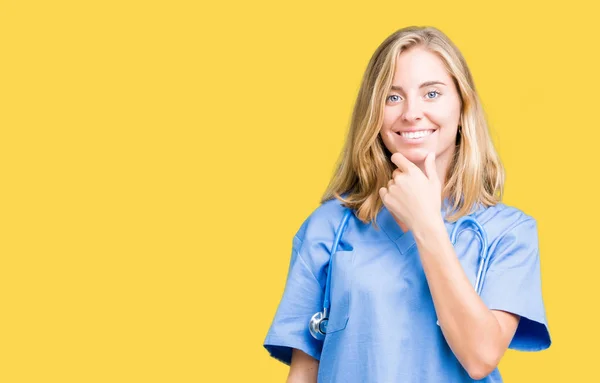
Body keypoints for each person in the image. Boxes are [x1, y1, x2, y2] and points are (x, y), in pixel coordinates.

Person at [263, 26, 551, 382]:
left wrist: (427, 224)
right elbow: (304, 372)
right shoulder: (328, 227)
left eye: (432, 93)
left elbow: (481, 357)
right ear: (373, 111)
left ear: (462, 106)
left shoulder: (508, 233)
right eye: (392, 96)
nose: (412, 113)